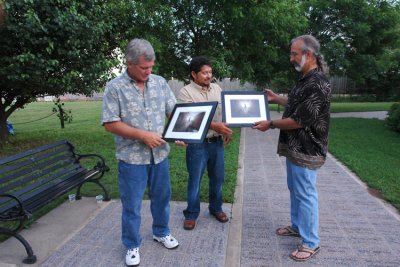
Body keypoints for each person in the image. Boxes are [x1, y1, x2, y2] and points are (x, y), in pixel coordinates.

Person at [253, 35, 331, 262]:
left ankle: (311, 242)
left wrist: (271, 124)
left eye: (294, 53)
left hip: (308, 149)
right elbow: (297, 101)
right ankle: (298, 226)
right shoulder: (305, 78)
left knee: (305, 194)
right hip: (295, 148)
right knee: (296, 189)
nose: (291, 58)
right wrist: (277, 98)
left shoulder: (317, 83)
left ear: (308, 54)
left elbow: (299, 120)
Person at [101, 38, 179, 267]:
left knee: (162, 198)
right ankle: (132, 244)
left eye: (151, 67)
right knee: (132, 204)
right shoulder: (114, 87)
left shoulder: (160, 83)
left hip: (160, 155)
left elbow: (174, 113)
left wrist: (182, 133)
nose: (149, 71)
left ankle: (161, 231)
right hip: (131, 158)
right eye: (144, 67)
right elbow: (110, 123)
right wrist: (142, 135)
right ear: (129, 63)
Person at [178, 56, 233, 230]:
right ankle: (191, 214)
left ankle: (215, 208)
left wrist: (225, 129)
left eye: (210, 72)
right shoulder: (185, 92)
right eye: (204, 72)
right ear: (194, 74)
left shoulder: (217, 88)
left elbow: (223, 111)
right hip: (197, 144)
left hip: (216, 142)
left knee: (218, 178)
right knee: (195, 179)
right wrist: (215, 125)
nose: (209, 75)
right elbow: (189, 119)